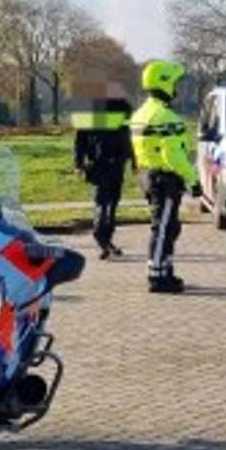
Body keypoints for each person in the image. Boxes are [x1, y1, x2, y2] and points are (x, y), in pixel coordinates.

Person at [130, 60, 199, 294]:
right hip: (165, 178)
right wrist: (193, 179)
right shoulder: (166, 117)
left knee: (168, 227)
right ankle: (158, 276)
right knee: (163, 228)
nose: (177, 88)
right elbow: (173, 156)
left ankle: (165, 269)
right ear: (165, 83)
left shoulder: (140, 113)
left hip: (148, 175)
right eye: (175, 83)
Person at [72, 84, 134, 260]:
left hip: (108, 164)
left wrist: (78, 163)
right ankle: (102, 239)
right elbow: (80, 142)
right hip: (106, 164)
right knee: (107, 203)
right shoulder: (111, 114)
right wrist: (78, 163)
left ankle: (105, 240)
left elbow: (80, 142)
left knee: (107, 203)